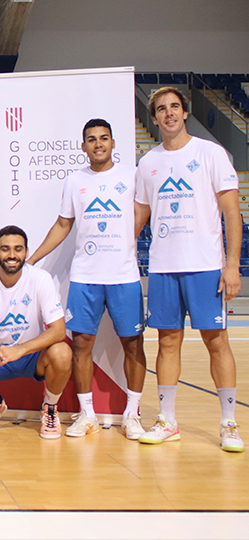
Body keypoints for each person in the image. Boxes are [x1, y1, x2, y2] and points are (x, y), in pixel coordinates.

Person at [134, 87, 244, 452]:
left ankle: (229, 423)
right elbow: (138, 218)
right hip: (165, 267)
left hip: (206, 266)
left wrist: (231, 265)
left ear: (184, 113)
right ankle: (168, 420)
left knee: (217, 342)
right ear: (154, 118)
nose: (168, 114)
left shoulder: (210, 153)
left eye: (174, 107)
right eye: (161, 109)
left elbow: (232, 214)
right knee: (167, 342)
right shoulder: (147, 163)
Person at [28, 118, 146, 440]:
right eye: (91, 139)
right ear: (83, 146)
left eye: (103, 138)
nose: (98, 144)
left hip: (124, 276)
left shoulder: (131, 176)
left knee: (133, 344)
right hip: (84, 277)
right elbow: (63, 225)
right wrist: (32, 260)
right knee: (80, 344)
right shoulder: (75, 181)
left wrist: (128, 240)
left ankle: (133, 415)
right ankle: (88, 414)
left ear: (112, 143)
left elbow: (142, 213)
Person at [0, 226, 72, 440]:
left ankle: (50, 408)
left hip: (31, 354)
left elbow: (58, 330)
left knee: (62, 352)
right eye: (5, 249)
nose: (11, 255)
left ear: (26, 252)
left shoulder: (40, 278)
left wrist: (20, 350)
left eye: (18, 249)